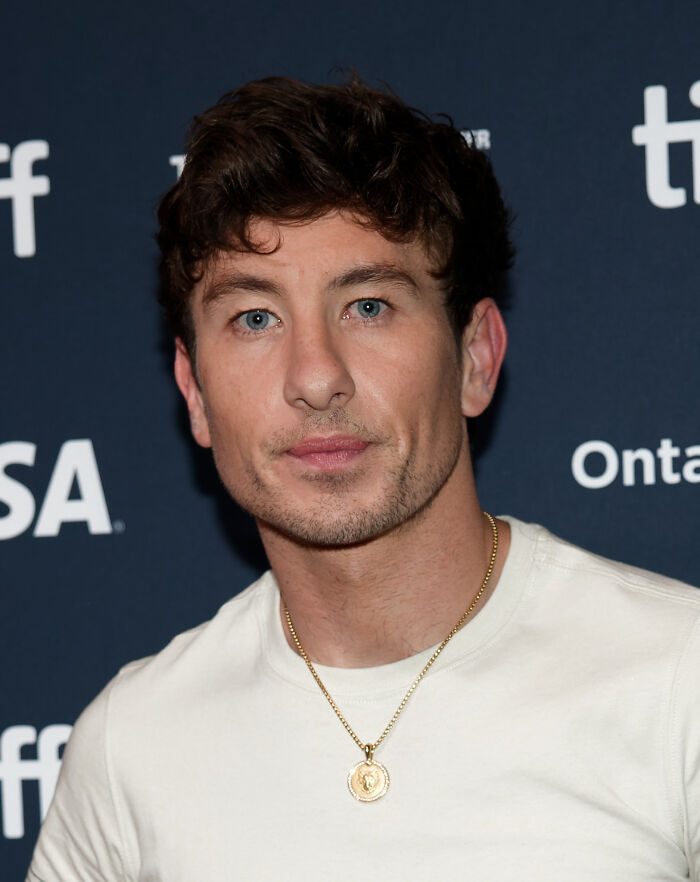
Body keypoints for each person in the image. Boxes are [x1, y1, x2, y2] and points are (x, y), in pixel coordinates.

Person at [28, 76, 699, 881]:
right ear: (195, 394)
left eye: (370, 306)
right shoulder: (129, 747)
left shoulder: (677, 680)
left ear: (476, 358)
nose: (316, 378)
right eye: (254, 318)